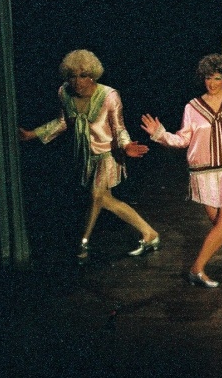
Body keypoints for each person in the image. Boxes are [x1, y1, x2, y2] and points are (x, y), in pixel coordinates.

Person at [141, 54, 222, 287]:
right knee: (219, 222)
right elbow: (183, 140)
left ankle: (197, 269)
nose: (212, 83)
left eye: (217, 78)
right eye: (208, 78)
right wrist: (160, 134)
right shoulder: (192, 107)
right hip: (204, 173)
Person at [19, 49, 156, 261]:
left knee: (96, 195)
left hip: (108, 153)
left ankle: (83, 243)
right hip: (85, 155)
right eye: (73, 76)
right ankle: (150, 233)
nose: (77, 81)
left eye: (83, 75)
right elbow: (63, 122)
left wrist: (126, 146)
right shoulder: (64, 93)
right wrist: (32, 134)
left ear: (92, 75)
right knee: (105, 199)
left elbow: (118, 128)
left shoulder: (109, 96)